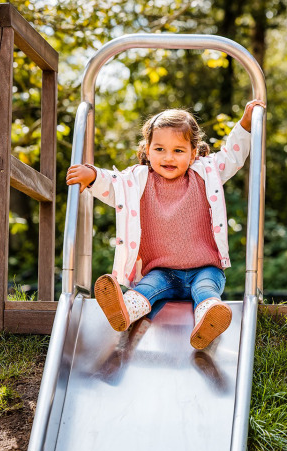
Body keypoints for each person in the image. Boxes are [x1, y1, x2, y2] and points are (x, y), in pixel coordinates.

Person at [66, 99, 265, 349]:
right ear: (147, 150)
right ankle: (124, 312)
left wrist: (245, 125)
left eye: (178, 151)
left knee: (206, 292)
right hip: (161, 271)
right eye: (159, 149)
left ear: (193, 153)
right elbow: (114, 184)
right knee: (145, 290)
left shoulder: (205, 173)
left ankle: (208, 319)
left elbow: (232, 157)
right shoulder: (137, 180)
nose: (168, 157)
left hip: (204, 268)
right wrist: (93, 176)